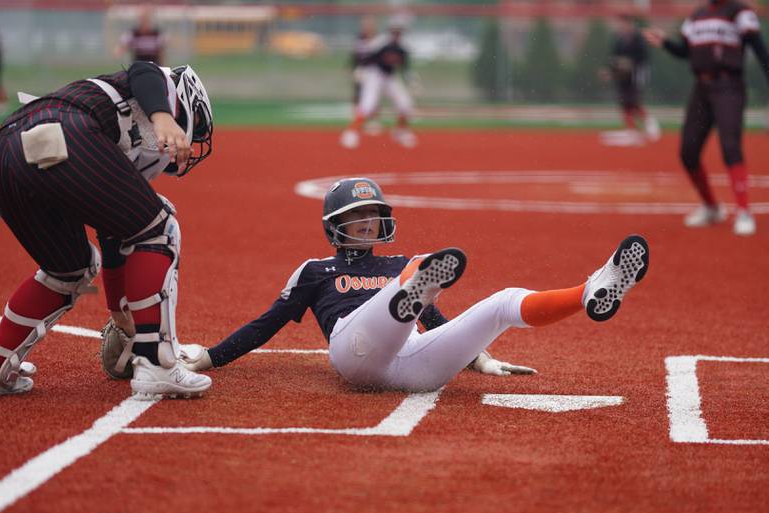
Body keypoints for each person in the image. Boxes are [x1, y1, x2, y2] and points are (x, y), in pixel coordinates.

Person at [179, 178, 650, 393]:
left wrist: (479, 358)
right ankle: (406, 298)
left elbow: (436, 318)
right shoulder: (314, 270)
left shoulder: (402, 263)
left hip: (418, 368)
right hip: (354, 352)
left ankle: (589, 291)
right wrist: (211, 357)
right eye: (356, 217)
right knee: (415, 277)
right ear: (334, 225)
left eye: (372, 215)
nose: (366, 223)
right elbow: (267, 324)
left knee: (502, 301)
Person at [0, 60, 215, 399]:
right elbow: (143, 70)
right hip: (61, 132)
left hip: (3, 155)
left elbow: (115, 233)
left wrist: (118, 312)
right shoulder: (156, 87)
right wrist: (163, 117)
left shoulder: (116, 139)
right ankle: (158, 364)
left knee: (68, 270)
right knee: (161, 228)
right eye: (196, 124)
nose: (193, 137)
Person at [644, 0, 769, 236]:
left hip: (729, 85)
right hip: (701, 87)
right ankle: (711, 207)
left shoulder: (739, 11)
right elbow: (685, 51)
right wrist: (665, 43)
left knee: (730, 147)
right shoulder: (697, 15)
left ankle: (743, 211)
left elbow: (759, 48)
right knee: (688, 151)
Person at [340, 18, 418, 149]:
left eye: (399, 31)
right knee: (367, 105)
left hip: (389, 77)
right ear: (390, 31)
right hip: (374, 74)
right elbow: (367, 57)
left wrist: (411, 80)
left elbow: (405, 67)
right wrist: (360, 69)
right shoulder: (382, 42)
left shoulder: (403, 47)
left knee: (405, 103)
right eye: (394, 31)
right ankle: (350, 133)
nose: (396, 34)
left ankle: (400, 131)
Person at [599, 11, 660, 146]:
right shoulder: (619, 40)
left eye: (625, 23)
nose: (622, 26)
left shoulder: (638, 39)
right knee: (624, 102)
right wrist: (608, 71)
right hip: (622, 76)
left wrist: (630, 64)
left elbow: (644, 58)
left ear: (631, 24)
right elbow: (613, 58)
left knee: (634, 102)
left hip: (635, 75)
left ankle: (650, 124)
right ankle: (631, 130)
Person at [350, 16, 383, 136]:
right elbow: (356, 56)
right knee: (358, 95)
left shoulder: (379, 40)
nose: (367, 27)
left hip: (374, 72)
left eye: (369, 25)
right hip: (361, 71)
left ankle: (373, 121)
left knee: (373, 97)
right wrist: (354, 68)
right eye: (365, 25)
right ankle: (358, 120)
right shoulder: (359, 39)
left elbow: (378, 57)